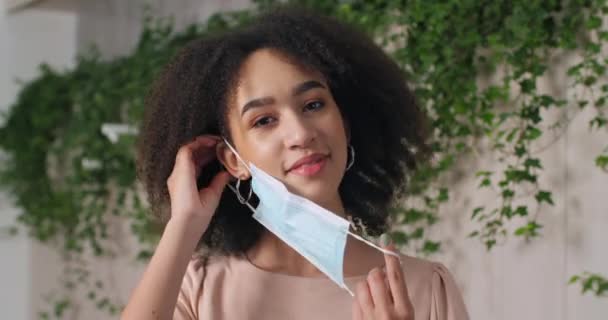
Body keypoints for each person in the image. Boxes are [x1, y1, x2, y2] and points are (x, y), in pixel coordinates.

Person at [122, 6, 469, 320]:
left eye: (313, 105)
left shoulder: (424, 289)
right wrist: (184, 224)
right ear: (233, 159)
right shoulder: (198, 290)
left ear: (345, 124)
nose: (301, 133)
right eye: (264, 120)